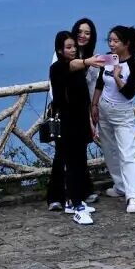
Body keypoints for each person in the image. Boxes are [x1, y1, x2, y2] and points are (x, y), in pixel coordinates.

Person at [47, 31, 104, 225]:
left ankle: (76, 200)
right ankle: (73, 202)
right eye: (68, 47)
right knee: (70, 163)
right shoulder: (57, 68)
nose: (72, 50)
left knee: (80, 161)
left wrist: (90, 120)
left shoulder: (79, 67)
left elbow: (85, 97)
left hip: (80, 120)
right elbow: (71, 66)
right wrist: (89, 61)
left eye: (74, 47)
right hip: (67, 121)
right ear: (59, 50)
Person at [91, 25, 135, 213]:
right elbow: (99, 81)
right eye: (110, 40)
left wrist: (117, 77)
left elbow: (129, 93)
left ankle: (133, 196)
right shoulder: (108, 58)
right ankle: (120, 185)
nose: (112, 44)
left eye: (116, 41)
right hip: (104, 110)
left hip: (122, 113)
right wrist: (94, 105)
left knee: (126, 153)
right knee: (109, 150)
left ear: (127, 43)